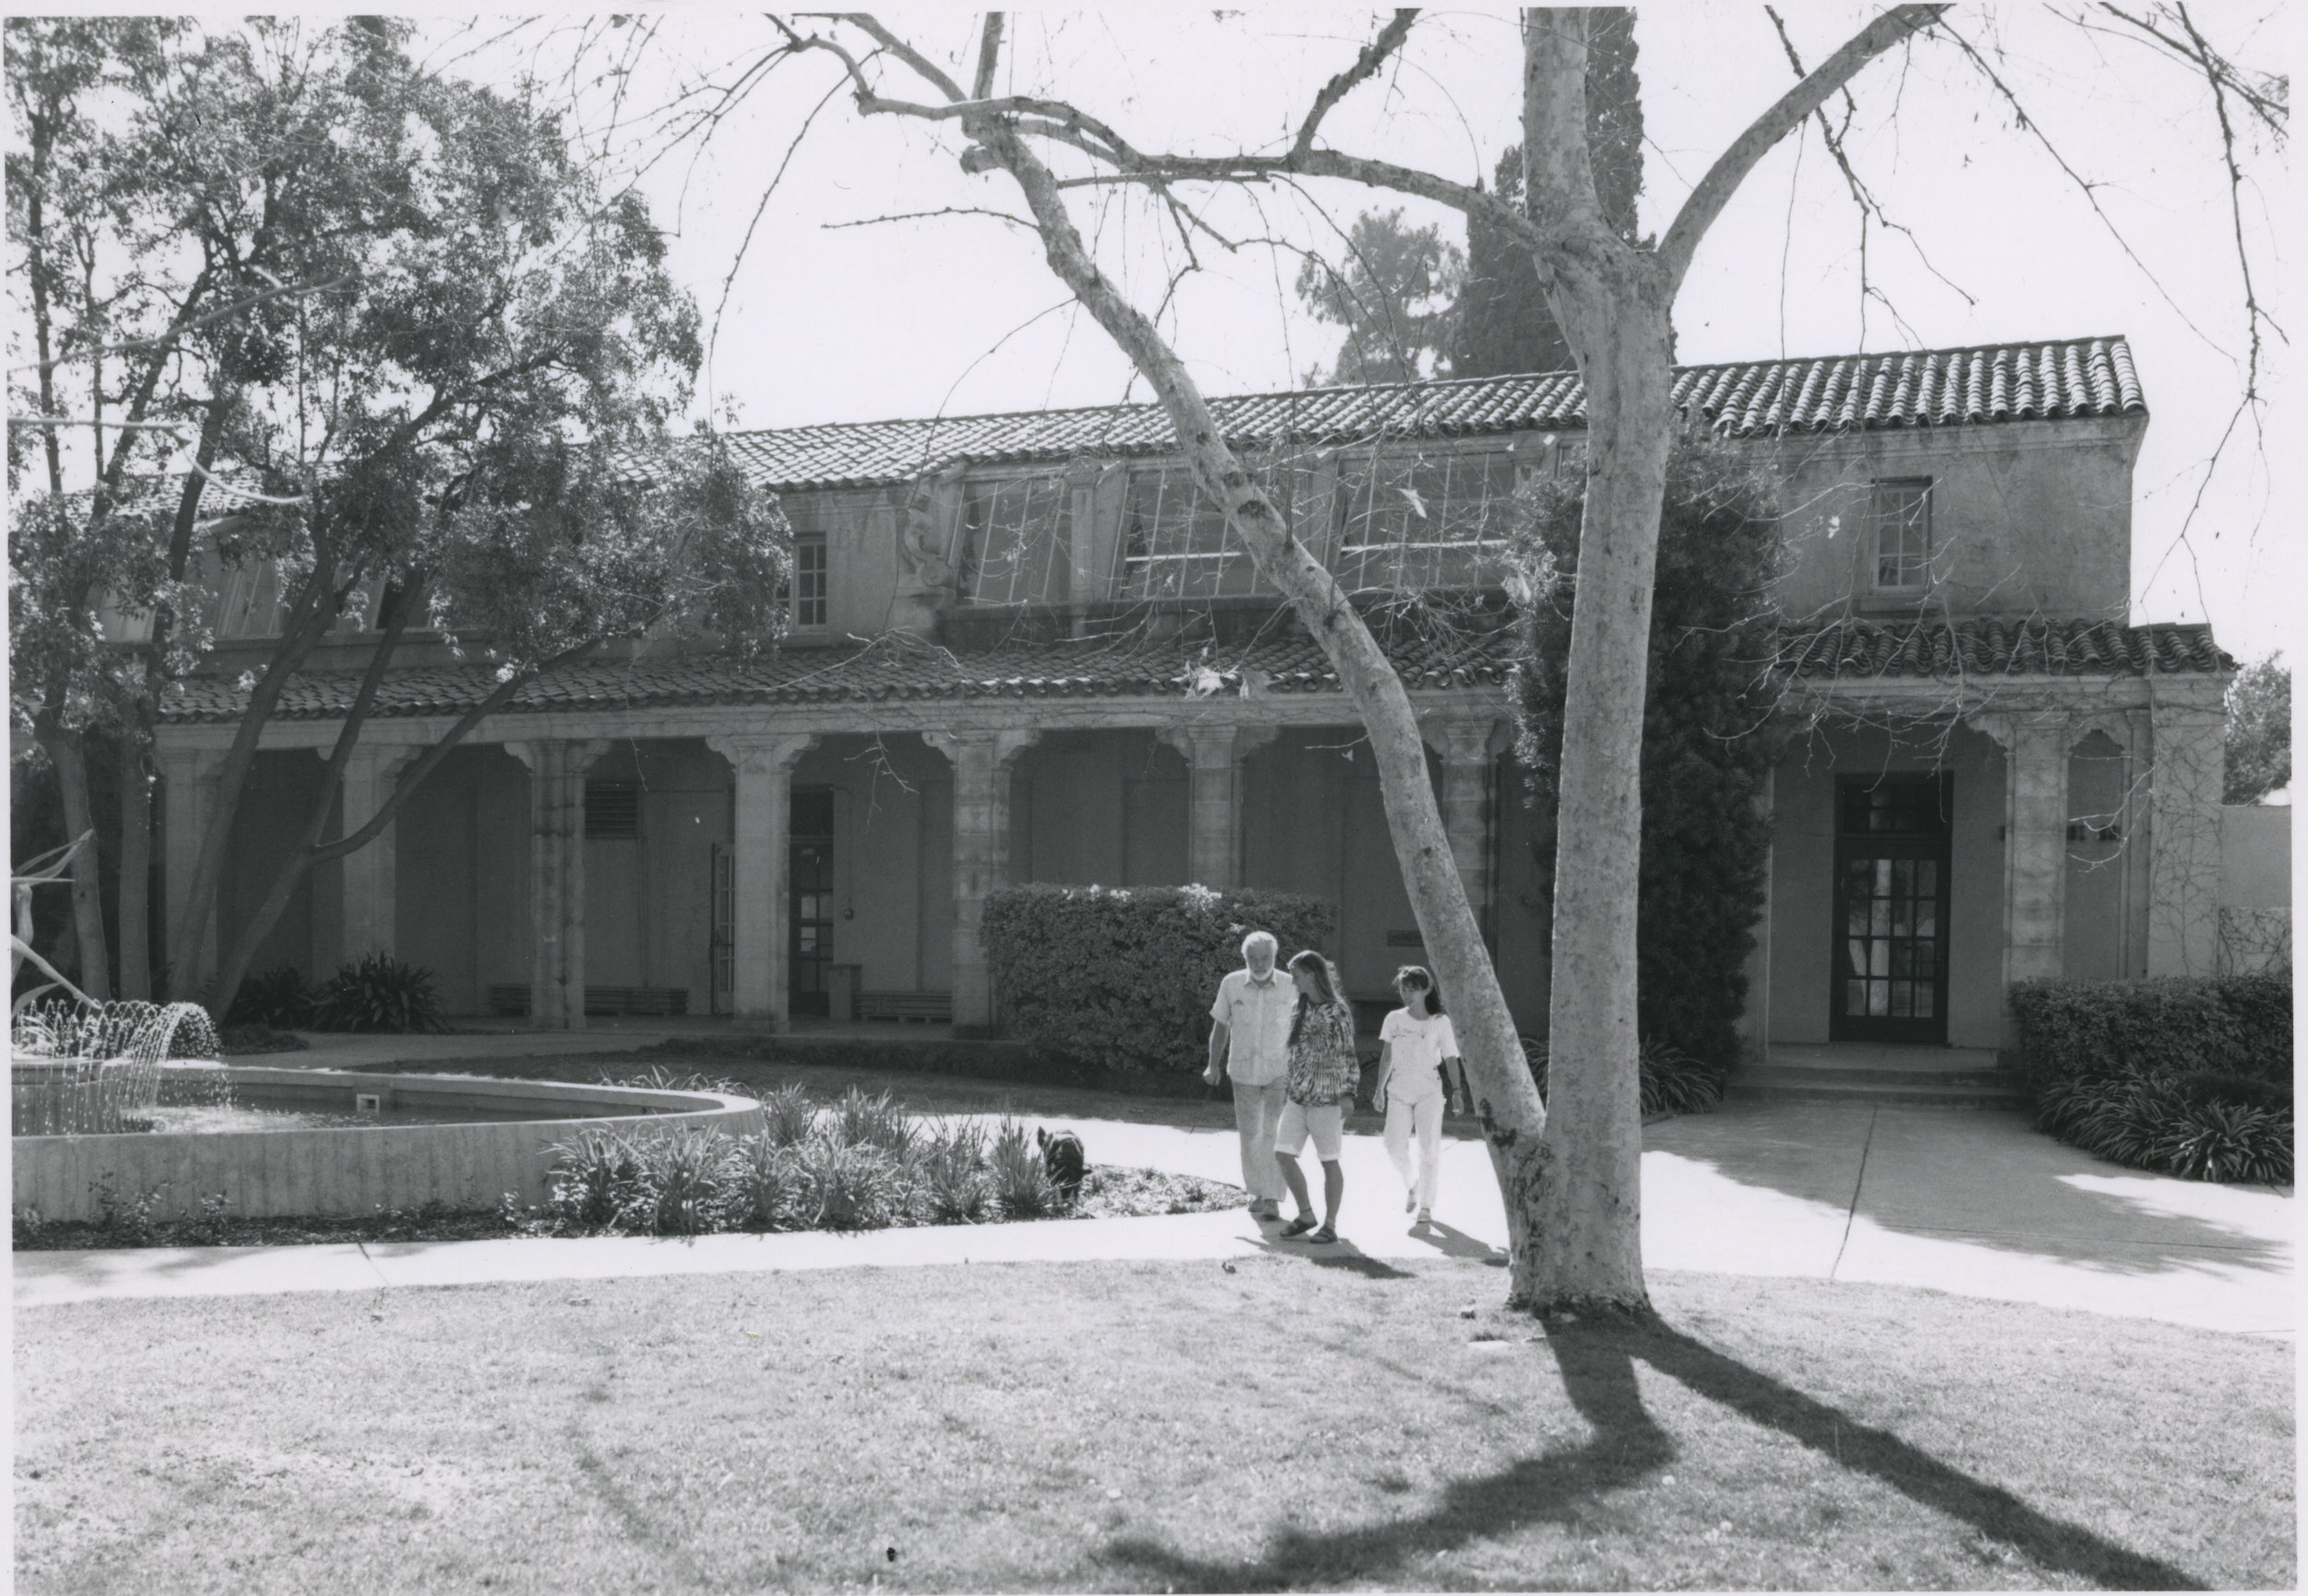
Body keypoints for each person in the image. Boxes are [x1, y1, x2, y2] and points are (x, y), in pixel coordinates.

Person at [1205, 930, 1294, 1222]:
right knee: (1250, 1135)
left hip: (1278, 1072)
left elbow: (1301, 1029)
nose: (1259, 964)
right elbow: (1220, 1027)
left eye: (1265, 958)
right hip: (1243, 1072)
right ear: (1245, 959)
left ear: (1274, 957)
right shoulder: (1231, 984)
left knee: (1273, 1132)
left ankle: (1272, 1198)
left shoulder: (1291, 986)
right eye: (1252, 959)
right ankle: (1257, 1192)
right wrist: (1212, 1065)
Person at [1274, 949, 1358, 1243]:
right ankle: (1306, 1214)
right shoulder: (1300, 1007)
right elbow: (1294, 1053)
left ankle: (1330, 1225)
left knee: (1329, 1161)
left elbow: (1348, 1054)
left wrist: (1349, 1093)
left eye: (1297, 976)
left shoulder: (1338, 1011)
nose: (1294, 982)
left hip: (1328, 1099)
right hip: (1298, 1097)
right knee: (1283, 1154)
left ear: (1312, 974)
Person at [1374, 966, 1463, 1227]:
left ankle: (1426, 1205)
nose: (1407, 994)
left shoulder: (1440, 1021)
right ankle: (1412, 1184)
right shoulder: (1394, 1019)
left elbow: (1450, 1058)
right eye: (1404, 988)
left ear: (1426, 989)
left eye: (1413, 989)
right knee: (1393, 1145)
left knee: (1429, 1149)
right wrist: (1379, 1089)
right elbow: (1387, 1056)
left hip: (1429, 1092)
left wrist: (1457, 1091)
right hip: (1399, 1090)